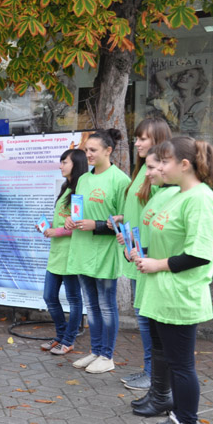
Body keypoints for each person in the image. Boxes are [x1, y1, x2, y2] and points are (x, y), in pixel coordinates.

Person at [135, 136, 213, 424]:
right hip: (162, 294)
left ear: (184, 165)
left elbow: (199, 254)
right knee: (173, 363)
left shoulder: (201, 198)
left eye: (163, 162)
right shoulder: (177, 194)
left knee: (182, 366)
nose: (157, 168)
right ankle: (176, 420)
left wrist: (156, 264)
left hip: (180, 295)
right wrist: (142, 255)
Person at [65, 129, 131, 374]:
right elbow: (77, 209)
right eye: (87, 150)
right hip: (82, 248)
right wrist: (72, 221)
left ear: (108, 151)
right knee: (90, 305)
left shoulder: (120, 180)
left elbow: (125, 220)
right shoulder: (83, 179)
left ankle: (108, 355)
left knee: (106, 305)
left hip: (104, 251)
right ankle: (96, 350)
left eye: (93, 150)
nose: (88, 154)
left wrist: (98, 225)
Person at [114, 118, 171, 391]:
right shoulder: (141, 171)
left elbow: (160, 216)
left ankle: (154, 375)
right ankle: (149, 370)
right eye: (136, 138)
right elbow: (140, 212)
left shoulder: (160, 176)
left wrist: (142, 248)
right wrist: (123, 220)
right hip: (135, 253)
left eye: (143, 138)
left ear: (159, 141)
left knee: (147, 318)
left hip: (148, 256)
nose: (136, 143)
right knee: (142, 316)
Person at [127, 149, 180, 418]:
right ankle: (158, 394)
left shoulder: (181, 197)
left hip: (166, 281)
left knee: (178, 359)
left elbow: (197, 254)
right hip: (151, 274)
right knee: (157, 341)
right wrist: (139, 250)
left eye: (151, 167)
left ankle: (170, 404)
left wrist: (155, 262)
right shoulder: (161, 194)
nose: (145, 173)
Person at [40, 149, 88, 355]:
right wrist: (49, 226)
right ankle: (60, 335)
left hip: (71, 253)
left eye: (64, 162)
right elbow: (63, 220)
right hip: (57, 253)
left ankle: (68, 340)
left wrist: (55, 231)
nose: (60, 166)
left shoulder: (79, 190)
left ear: (75, 164)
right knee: (49, 296)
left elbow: (76, 225)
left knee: (74, 298)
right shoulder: (65, 187)